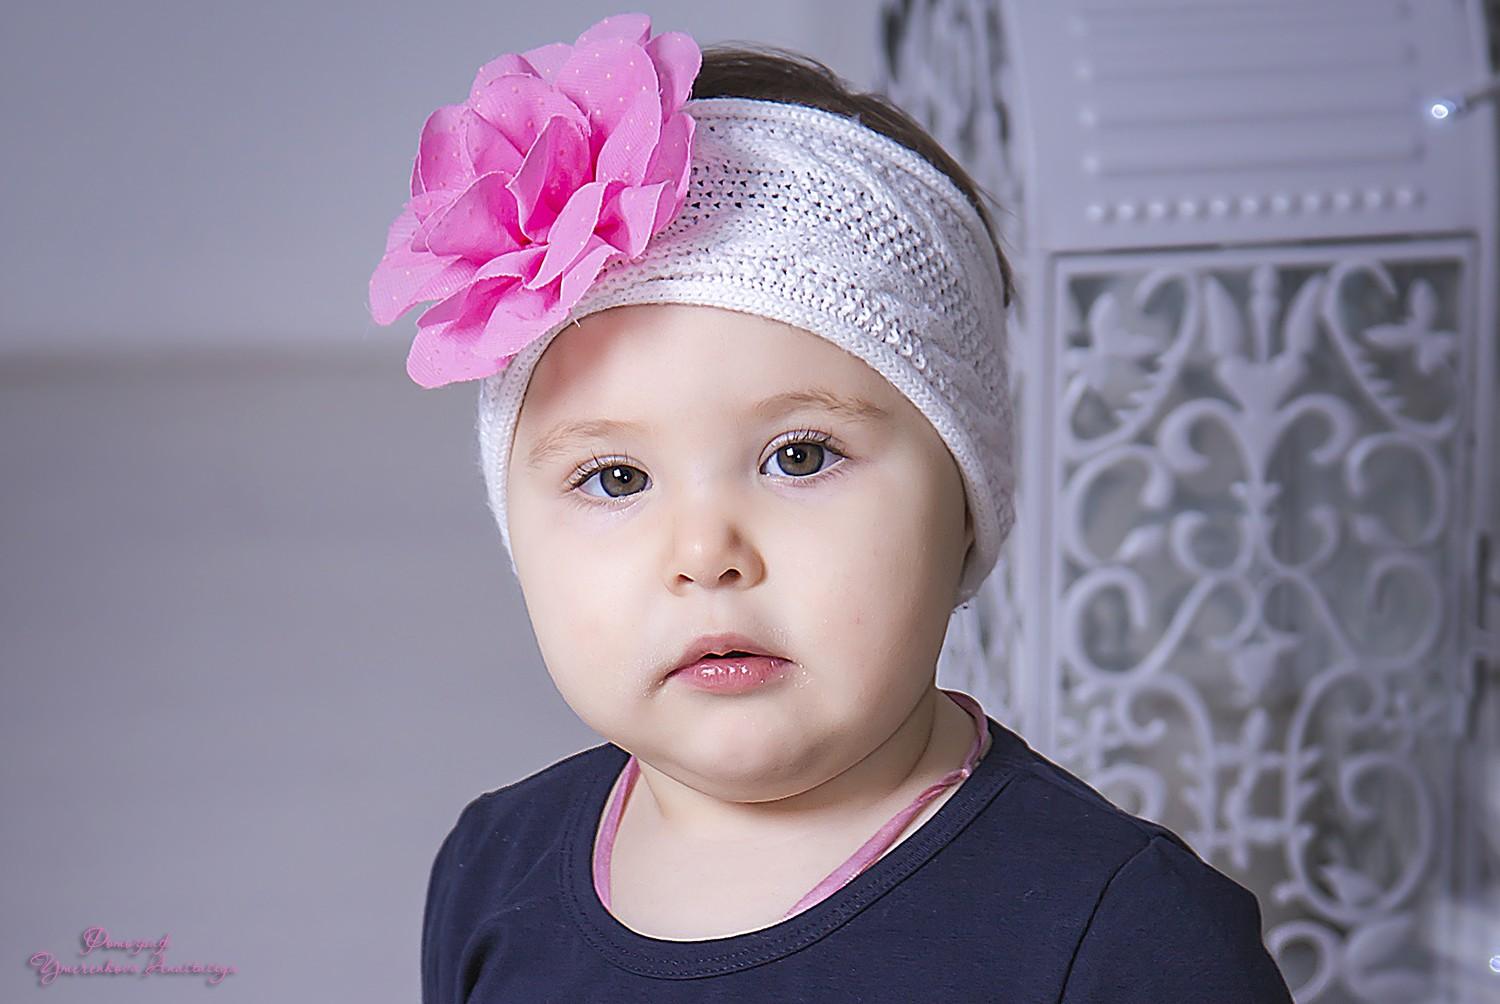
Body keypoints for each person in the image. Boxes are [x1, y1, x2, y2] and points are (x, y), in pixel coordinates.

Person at [368, 12, 1296, 1003]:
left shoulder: (1126, 937)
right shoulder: (491, 872)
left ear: (966, 503)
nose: (705, 552)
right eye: (617, 478)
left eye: (799, 456)